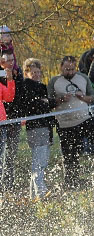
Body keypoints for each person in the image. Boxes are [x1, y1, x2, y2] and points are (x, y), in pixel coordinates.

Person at [47, 55, 94, 189]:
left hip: (84, 119)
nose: (70, 72)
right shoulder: (54, 81)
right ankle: (71, 182)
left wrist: (84, 97)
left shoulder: (83, 78)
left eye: (72, 69)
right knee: (70, 155)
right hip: (65, 124)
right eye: (67, 69)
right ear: (61, 67)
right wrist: (60, 100)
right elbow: (49, 102)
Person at [18, 59, 52, 198]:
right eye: (33, 72)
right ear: (26, 73)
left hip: (46, 126)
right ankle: (40, 192)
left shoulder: (42, 86)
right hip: (35, 127)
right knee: (39, 161)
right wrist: (43, 102)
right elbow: (32, 104)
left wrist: (47, 102)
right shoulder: (26, 85)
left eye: (38, 72)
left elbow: (48, 103)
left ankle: (34, 194)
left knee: (43, 160)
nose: (37, 74)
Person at [0, 50, 21, 191]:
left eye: (12, 60)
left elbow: (8, 97)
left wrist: (10, 80)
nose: (11, 63)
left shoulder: (6, 78)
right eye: (8, 60)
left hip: (2, 122)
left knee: (2, 155)